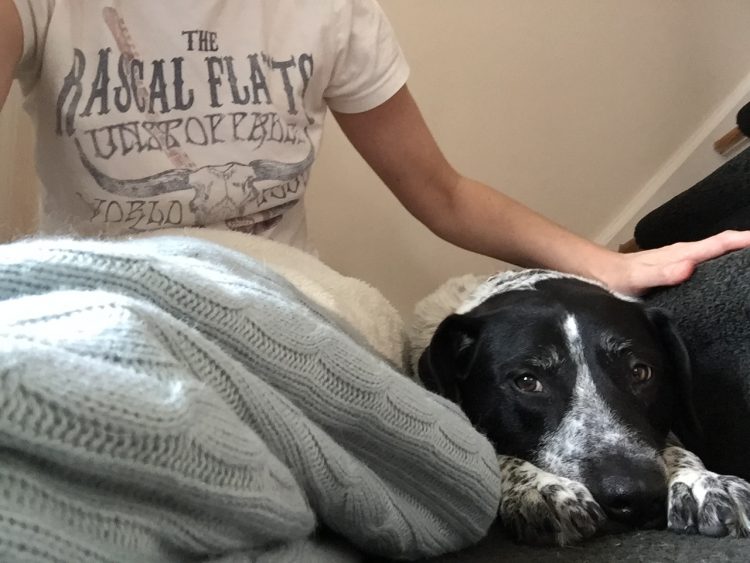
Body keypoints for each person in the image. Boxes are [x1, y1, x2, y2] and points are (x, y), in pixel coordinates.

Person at [1, 0, 748, 297]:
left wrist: (610, 263)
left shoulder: (327, 11)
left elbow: (443, 192)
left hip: (286, 309)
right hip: (99, 308)